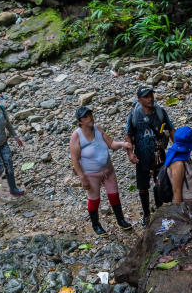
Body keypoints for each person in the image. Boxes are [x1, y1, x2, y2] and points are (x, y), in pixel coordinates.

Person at [69, 106, 135, 234]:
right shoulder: (76, 136)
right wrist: (82, 178)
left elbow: (111, 144)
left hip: (108, 170)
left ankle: (121, 220)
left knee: (114, 194)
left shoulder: (98, 128)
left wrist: (123, 144)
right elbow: (75, 160)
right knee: (94, 199)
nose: (90, 118)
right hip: (91, 174)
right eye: (86, 117)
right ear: (80, 121)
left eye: (90, 115)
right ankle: (96, 225)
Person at [125, 85, 174, 225]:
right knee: (142, 186)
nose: (150, 98)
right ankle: (146, 214)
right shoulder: (134, 114)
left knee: (162, 182)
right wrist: (130, 153)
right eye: (146, 96)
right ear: (139, 100)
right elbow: (128, 134)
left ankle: (161, 210)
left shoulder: (160, 112)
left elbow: (171, 129)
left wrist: (178, 148)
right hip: (141, 155)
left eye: (151, 95)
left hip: (159, 154)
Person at [164, 126, 192, 212]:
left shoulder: (183, 158)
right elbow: (176, 190)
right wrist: (180, 212)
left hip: (190, 201)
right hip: (186, 204)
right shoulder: (178, 164)